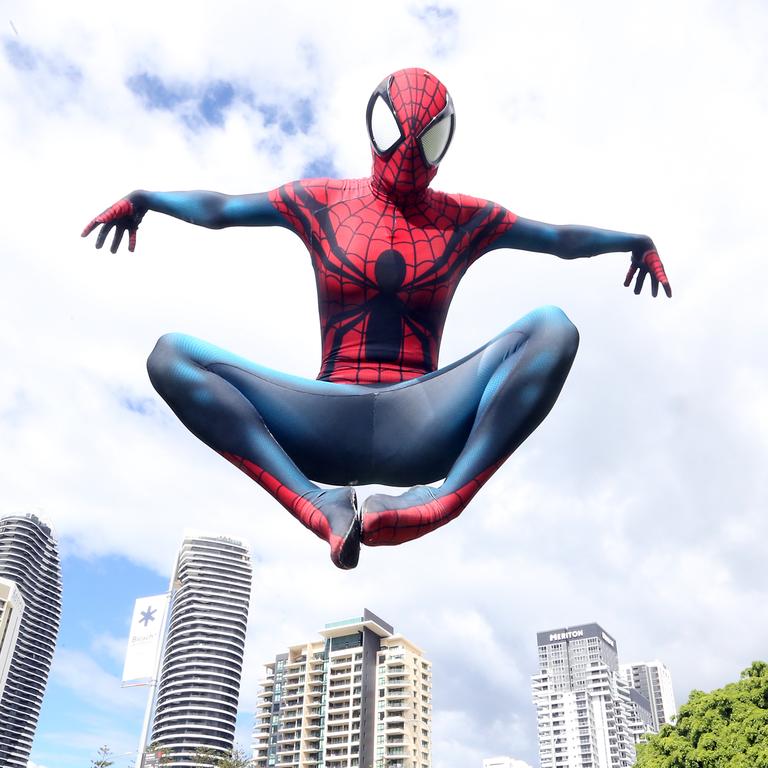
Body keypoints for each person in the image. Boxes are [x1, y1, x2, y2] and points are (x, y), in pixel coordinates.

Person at [83, 67, 671, 569]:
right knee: (172, 355)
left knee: (553, 327)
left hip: (424, 421)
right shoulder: (322, 201)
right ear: (375, 126)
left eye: (429, 140)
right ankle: (317, 506)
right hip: (324, 419)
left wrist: (632, 240)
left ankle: (443, 499)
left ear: (444, 147)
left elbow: (558, 238)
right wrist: (148, 199)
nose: (410, 153)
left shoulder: (466, 218)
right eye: (400, 133)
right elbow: (221, 210)